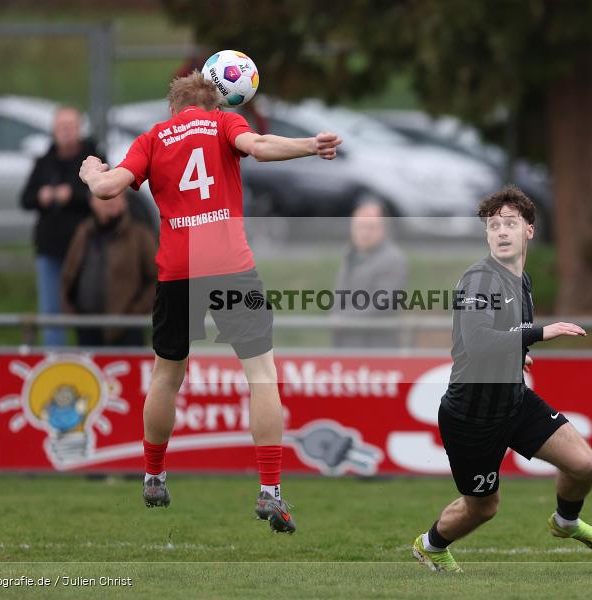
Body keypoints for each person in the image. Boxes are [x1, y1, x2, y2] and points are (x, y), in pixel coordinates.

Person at [79, 71, 341, 534]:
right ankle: (270, 490)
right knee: (261, 374)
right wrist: (311, 145)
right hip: (229, 264)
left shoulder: (153, 138)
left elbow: (107, 189)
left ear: (173, 108)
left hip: (179, 269)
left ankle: (154, 475)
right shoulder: (223, 125)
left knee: (167, 374)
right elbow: (260, 147)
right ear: (215, 105)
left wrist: (91, 171)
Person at [411, 186, 592, 573]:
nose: (502, 231)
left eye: (511, 223)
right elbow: (476, 341)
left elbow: (500, 336)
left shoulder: (519, 280)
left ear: (529, 231)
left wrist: (518, 352)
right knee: (483, 508)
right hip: (472, 415)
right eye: (494, 225)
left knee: (584, 465)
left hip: (514, 402)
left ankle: (566, 522)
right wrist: (539, 334)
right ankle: (431, 545)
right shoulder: (480, 281)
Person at [20, 106, 104, 346]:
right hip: (50, 248)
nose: (65, 132)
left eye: (70, 127)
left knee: (88, 308)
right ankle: (54, 364)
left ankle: (91, 359)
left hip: (86, 249)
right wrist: (41, 196)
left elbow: (107, 198)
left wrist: (73, 196)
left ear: (79, 129)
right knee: (51, 312)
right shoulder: (45, 161)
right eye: (60, 127)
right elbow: (25, 198)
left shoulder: (93, 158)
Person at [60, 190, 157, 347]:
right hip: (86, 329)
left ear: (125, 202)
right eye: (103, 196)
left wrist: (135, 314)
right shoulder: (83, 232)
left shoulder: (140, 236)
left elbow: (157, 278)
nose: (109, 201)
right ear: (92, 201)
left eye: (115, 195)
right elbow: (69, 274)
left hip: (127, 331)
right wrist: (71, 309)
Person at [332, 200, 408, 348]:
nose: (364, 233)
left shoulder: (393, 260)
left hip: (377, 348)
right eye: (360, 227)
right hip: (347, 345)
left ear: (383, 229)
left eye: (371, 227)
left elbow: (382, 303)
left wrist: (342, 319)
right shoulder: (350, 255)